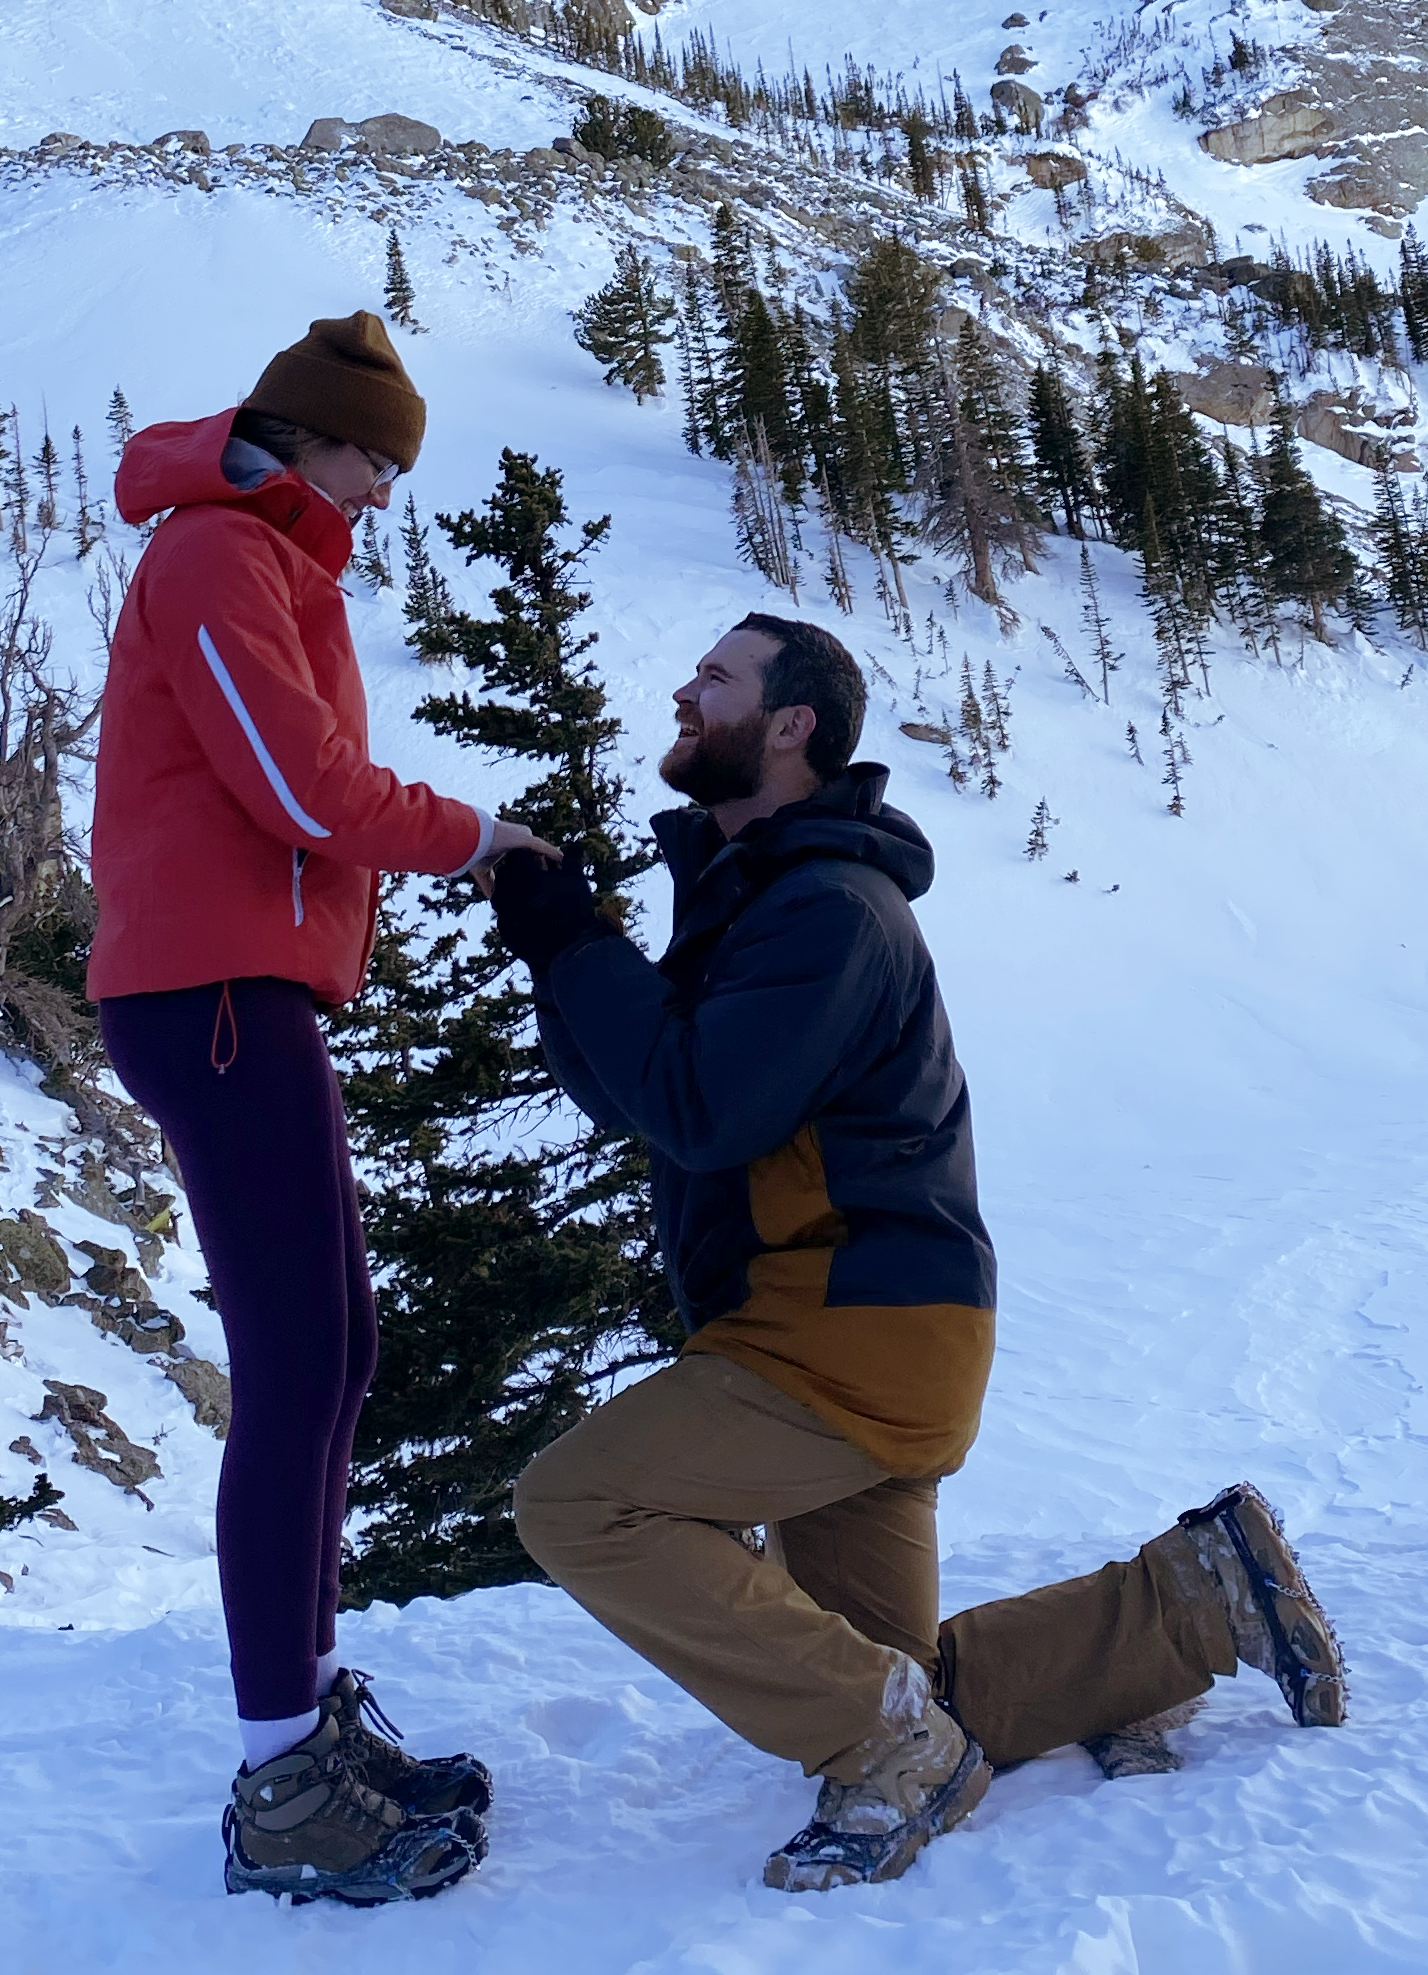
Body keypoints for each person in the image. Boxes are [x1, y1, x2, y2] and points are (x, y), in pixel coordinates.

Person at [486, 611, 1348, 1892]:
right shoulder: (766, 899)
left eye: (713, 678)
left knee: (578, 1502)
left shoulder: (829, 909)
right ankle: (1197, 1595)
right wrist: (556, 944)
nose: (683, 690)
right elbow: (641, 1091)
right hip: (862, 1325)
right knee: (885, 1676)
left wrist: (574, 939)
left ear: (792, 726)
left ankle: (895, 1755)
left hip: (844, 1335)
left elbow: (698, 1106)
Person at [89, 309, 552, 1907]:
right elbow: (290, 787)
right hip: (207, 993)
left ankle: (310, 1711)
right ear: (307, 437)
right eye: (374, 459)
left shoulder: (273, 561)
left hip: (242, 989)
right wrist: (477, 835)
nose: (382, 492)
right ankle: (282, 1778)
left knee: (335, 1347)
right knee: (297, 1359)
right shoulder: (215, 555)